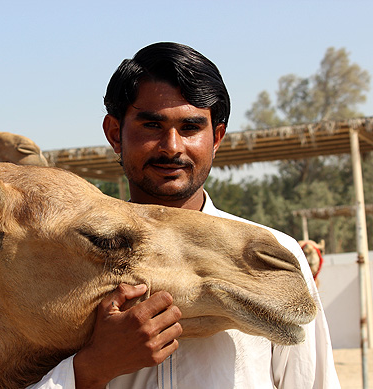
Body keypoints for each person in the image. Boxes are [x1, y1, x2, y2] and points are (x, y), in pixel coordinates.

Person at [29, 42, 340, 388]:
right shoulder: (65, 261)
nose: (172, 147)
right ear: (116, 133)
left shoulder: (271, 256)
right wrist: (92, 369)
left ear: (216, 137)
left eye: (190, 128)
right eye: (151, 126)